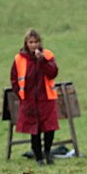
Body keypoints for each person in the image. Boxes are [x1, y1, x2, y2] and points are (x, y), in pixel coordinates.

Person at [10, 29, 60, 166]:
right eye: (31, 42)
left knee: (50, 128)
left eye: (36, 42)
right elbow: (14, 79)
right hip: (29, 100)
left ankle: (48, 152)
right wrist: (20, 95)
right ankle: (39, 158)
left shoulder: (47, 55)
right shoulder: (19, 59)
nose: (34, 45)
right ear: (26, 43)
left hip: (46, 99)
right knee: (34, 130)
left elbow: (53, 73)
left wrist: (42, 60)